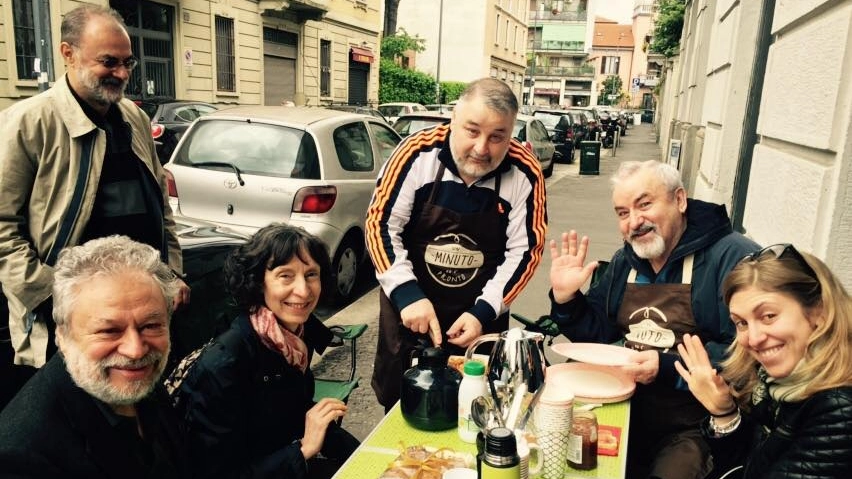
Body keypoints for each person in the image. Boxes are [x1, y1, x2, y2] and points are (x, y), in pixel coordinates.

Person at [0, 4, 189, 399]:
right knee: (78, 431)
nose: (121, 73)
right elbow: (3, 229)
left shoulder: (133, 118)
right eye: (109, 62)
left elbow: (160, 205)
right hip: (75, 325)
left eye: (128, 63)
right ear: (67, 54)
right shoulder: (27, 123)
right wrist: (56, 297)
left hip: (137, 314)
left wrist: (170, 272)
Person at [548, 160, 760, 479]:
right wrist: (567, 300)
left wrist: (664, 367)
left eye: (644, 204)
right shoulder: (627, 260)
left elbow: (748, 352)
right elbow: (598, 336)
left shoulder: (732, 258)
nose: (635, 221)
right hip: (621, 410)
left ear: (680, 200)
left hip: (693, 425)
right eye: (623, 213)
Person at [365, 78, 547, 410]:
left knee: (479, 409)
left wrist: (483, 312)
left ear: (510, 134)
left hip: (480, 320)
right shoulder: (415, 155)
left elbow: (525, 251)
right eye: (472, 131)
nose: (482, 148)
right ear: (453, 121)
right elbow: (380, 225)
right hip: (410, 314)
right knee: (400, 411)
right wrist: (407, 295)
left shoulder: (525, 172)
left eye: (497, 137)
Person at [169, 223, 359, 479]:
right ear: (259, 283)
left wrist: (364, 452)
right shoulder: (224, 365)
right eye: (286, 275)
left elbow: (292, 407)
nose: (303, 290)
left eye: (311, 274)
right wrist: (302, 450)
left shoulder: (296, 336)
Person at [0, 236, 190, 477]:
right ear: (63, 336)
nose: (136, 350)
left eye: (150, 326)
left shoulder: (141, 383)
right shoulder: (21, 456)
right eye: (109, 331)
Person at [675, 244, 852, 478]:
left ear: (819, 312)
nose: (754, 339)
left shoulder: (838, 410)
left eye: (768, 316)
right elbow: (745, 467)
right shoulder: (774, 382)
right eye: (742, 323)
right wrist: (723, 411)